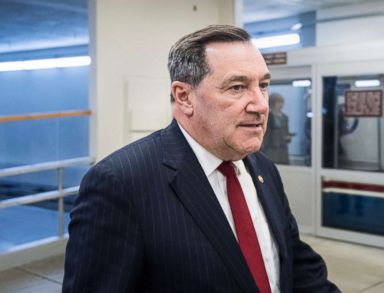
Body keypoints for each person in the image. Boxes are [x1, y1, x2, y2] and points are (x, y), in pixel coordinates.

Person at [63, 25, 340, 293]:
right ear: (184, 97)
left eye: (263, 85)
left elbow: (294, 262)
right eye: (237, 87)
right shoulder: (121, 184)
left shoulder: (262, 167)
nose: (260, 104)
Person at [262, 93, 293, 164]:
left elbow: (286, 132)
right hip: (271, 149)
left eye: (282, 102)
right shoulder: (267, 116)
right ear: (272, 103)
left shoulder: (285, 117)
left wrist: (288, 137)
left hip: (283, 150)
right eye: (278, 102)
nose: (281, 105)